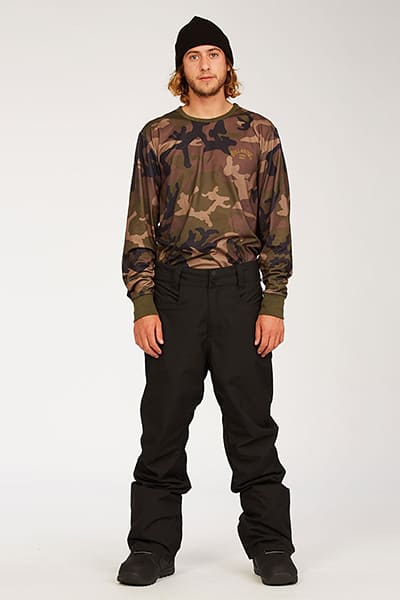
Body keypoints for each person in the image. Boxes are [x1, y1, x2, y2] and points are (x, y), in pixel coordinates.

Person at [117, 15, 298, 587]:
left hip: (242, 292)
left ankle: (271, 545)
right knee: (163, 423)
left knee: (251, 423)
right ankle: (151, 547)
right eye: (193, 55)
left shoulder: (259, 132)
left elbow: (277, 219)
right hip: (175, 293)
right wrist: (144, 302)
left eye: (213, 54)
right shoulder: (157, 135)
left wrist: (274, 301)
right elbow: (140, 220)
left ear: (228, 64)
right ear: (181, 68)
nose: (203, 64)